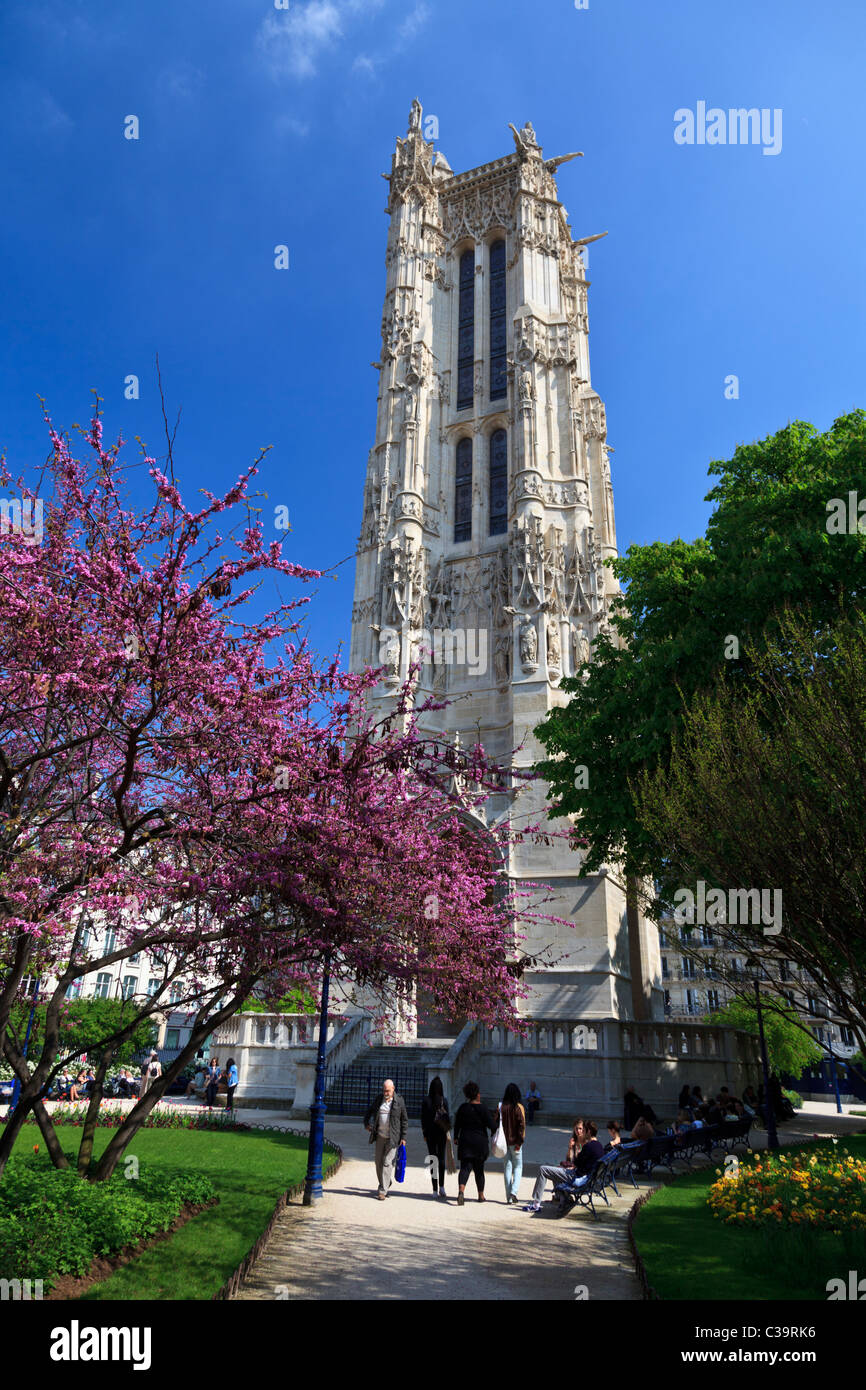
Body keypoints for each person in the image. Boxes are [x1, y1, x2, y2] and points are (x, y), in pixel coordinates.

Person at [525, 1118, 604, 1212]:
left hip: (576, 1177)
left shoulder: (588, 1146)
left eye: (584, 1130)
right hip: (586, 1178)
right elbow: (577, 1162)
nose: (582, 1132)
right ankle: (563, 1199)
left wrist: (576, 1155)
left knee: (543, 1169)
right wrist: (571, 1149)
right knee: (555, 1171)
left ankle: (536, 1204)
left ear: (589, 1131)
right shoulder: (599, 1146)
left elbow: (576, 1162)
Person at [453, 1081, 497, 1206]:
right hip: (479, 1142)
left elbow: (457, 1125)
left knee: (465, 1168)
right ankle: (481, 1195)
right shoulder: (483, 1109)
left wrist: (456, 1137)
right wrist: (495, 1118)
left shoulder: (462, 1108)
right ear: (477, 1094)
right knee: (479, 1170)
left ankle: (461, 1191)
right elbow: (492, 1126)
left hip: (465, 1140)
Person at [364, 1078, 409, 1200]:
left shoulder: (399, 1101)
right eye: (384, 1090)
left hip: (393, 1138)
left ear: (393, 1089)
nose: (386, 1093)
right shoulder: (379, 1099)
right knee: (378, 1162)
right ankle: (386, 1182)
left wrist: (403, 1137)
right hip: (380, 1136)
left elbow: (404, 1120)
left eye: (388, 1091)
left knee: (387, 1163)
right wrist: (366, 1123)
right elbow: (370, 1110)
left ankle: (382, 1190)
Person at [420, 1076, 450, 1200]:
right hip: (442, 1132)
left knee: (433, 1159)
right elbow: (447, 1117)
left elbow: (423, 1119)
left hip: (430, 1133)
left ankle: (434, 1189)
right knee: (441, 1159)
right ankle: (442, 1186)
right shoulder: (444, 1101)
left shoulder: (426, 1101)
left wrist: (424, 1134)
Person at [500, 1082, 526, 1204]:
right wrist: (520, 1141)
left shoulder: (501, 1107)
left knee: (507, 1167)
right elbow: (522, 1125)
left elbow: (495, 1123)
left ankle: (508, 1196)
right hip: (515, 1141)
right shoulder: (518, 1107)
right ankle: (514, 1192)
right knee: (518, 1166)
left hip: (504, 1142)